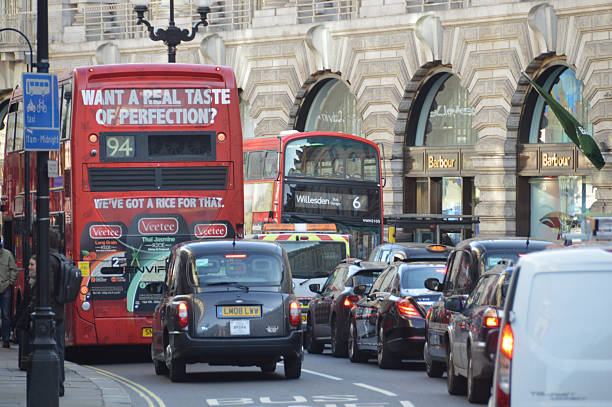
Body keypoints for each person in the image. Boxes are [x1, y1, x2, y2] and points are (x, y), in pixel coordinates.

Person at [30, 229, 65, 396]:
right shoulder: (60, 258)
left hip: (50, 312)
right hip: (59, 310)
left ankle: (55, 385)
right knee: (59, 349)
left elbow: (48, 287)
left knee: (53, 349)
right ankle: (60, 384)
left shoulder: (48, 260)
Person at [0, 244, 17, 348]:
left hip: (5, 288)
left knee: (5, 314)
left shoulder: (7, 254)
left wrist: (10, 282)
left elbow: (13, 269)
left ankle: (6, 338)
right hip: (6, 286)